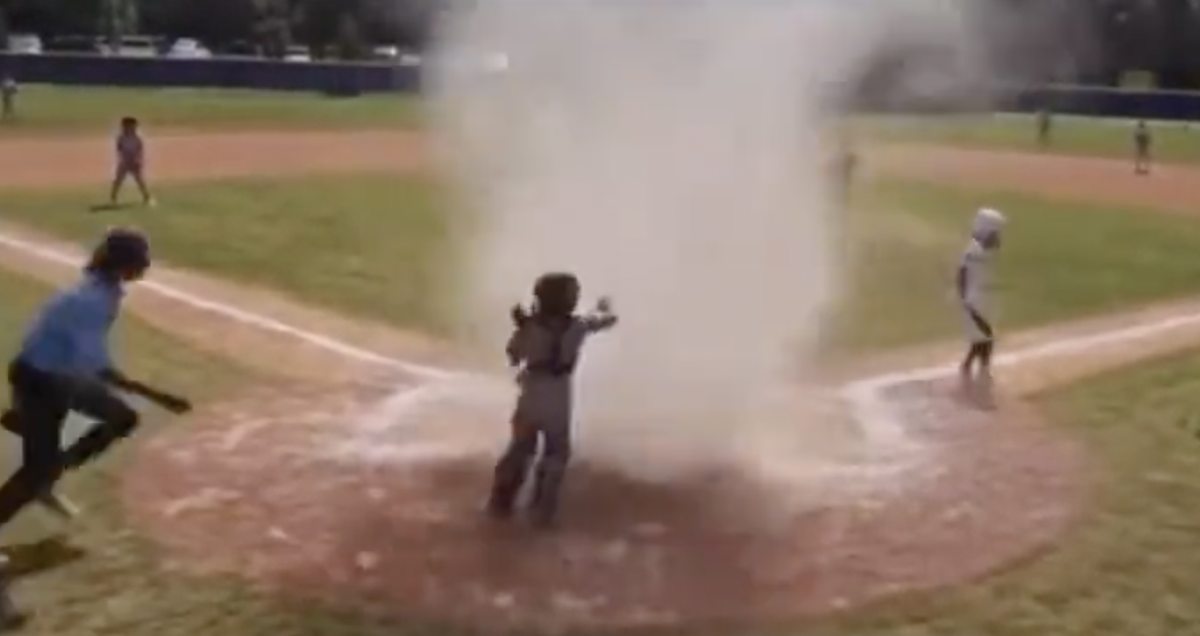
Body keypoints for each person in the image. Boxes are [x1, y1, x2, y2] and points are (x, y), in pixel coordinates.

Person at [0, 228, 191, 536]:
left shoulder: (105, 290)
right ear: (122, 264)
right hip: (39, 381)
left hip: (57, 375)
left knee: (121, 418)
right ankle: (42, 473)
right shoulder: (92, 301)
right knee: (38, 467)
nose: (145, 266)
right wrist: (159, 396)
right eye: (140, 260)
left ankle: (46, 471)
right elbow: (99, 370)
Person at [486, 273, 617, 528]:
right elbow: (603, 321)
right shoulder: (576, 327)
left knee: (520, 448)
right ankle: (541, 508)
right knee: (556, 453)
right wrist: (603, 308)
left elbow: (513, 354)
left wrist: (523, 326)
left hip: (531, 393)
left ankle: (501, 500)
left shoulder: (531, 327)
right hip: (558, 398)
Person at [956, 208, 1005, 410]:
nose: (998, 235)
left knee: (982, 337)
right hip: (974, 300)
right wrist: (965, 299)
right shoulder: (974, 251)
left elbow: (995, 245)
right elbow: (962, 274)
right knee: (987, 336)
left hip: (980, 299)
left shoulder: (980, 247)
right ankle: (982, 369)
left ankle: (968, 365)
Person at [109, 117, 155, 207]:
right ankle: (113, 198)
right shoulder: (121, 137)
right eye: (129, 126)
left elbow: (140, 149)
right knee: (118, 180)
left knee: (140, 180)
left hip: (134, 161)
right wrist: (123, 159)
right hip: (125, 161)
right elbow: (119, 148)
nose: (132, 128)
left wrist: (138, 160)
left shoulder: (138, 137)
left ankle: (147, 198)